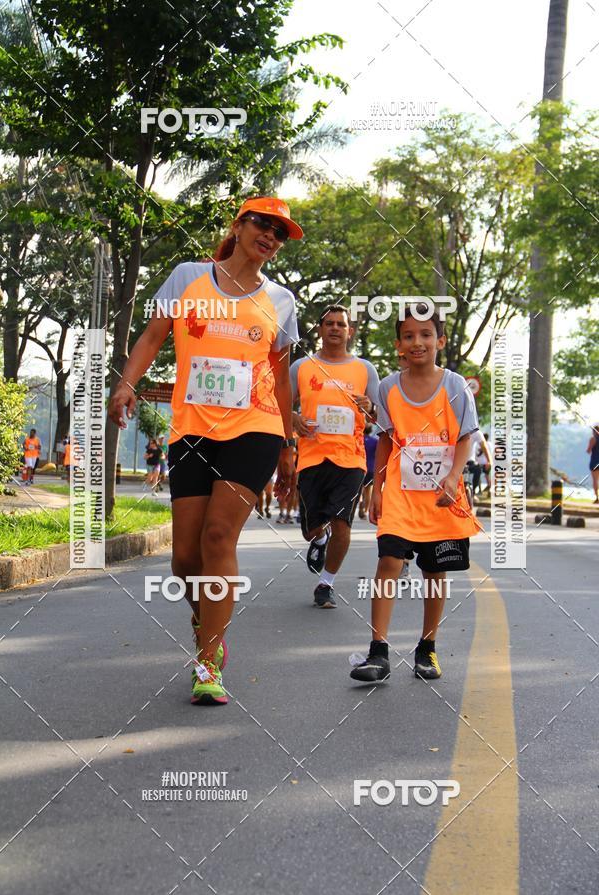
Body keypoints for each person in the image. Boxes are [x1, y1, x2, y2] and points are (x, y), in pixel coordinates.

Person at [108, 195, 302, 705]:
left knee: (219, 536)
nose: (270, 236)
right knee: (184, 560)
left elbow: (281, 380)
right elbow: (153, 337)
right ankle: (205, 622)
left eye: (280, 234)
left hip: (254, 428)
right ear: (239, 225)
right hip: (192, 429)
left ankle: (209, 657)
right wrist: (127, 383)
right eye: (263, 223)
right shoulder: (187, 277)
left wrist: (287, 444)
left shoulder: (281, 301)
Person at [350, 304, 481, 683]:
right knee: (388, 562)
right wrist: (376, 486)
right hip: (401, 495)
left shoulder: (455, 386)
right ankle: (379, 652)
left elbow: (464, 438)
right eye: (409, 336)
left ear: (440, 340)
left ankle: (427, 648)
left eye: (425, 335)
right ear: (398, 345)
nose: (417, 342)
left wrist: (454, 477)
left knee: (433, 569)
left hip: (441, 496)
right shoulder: (388, 387)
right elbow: (388, 440)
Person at [290, 305, 380, 608]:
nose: (335, 328)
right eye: (328, 323)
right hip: (312, 458)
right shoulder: (301, 367)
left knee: (342, 524)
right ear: (319, 329)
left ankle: (326, 583)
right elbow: (277, 404)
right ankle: (318, 538)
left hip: (350, 460)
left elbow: (378, 414)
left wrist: (370, 406)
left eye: (341, 324)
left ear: (349, 331)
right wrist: (293, 419)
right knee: (310, 529)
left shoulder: (365, 369)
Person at [359, 425, 379, 519]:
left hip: (360, 466)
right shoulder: (374, 441)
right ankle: (366, 511)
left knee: (359, 490)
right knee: (368, 491)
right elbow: (377, 454)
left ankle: (360, 504)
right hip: (371, 468)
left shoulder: (359, 439)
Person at [587, 423, 599, 503]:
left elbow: (588, 450)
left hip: (595, 461)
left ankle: (597, 498)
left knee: (595, 480)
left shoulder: (593, 439)